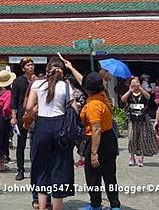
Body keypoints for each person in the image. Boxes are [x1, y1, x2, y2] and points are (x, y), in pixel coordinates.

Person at [26, 57, 77, 210]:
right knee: (59, 167)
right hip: (60, 126)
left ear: (48, 70)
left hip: (42, 126)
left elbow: (29, 107)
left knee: (41, 167)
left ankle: (42, 206)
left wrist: (37, 109)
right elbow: (75, 109)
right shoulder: (66, 86)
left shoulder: (37, 84)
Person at [80, 72, 121, 210]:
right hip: (109, 138)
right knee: (110, 175)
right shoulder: (103, 97)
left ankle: (95, 204)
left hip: (97, 140)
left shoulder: (93, 105)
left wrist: (93, 152)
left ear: (87, 89)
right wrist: (71, 67)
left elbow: (96, 129)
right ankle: (115, 204)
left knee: (93, 175)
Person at [121, 77, 159, 167]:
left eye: (136, 84)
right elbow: (123, 99)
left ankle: (141, 158)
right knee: (131, 138)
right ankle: (132, 157)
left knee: (142, 138)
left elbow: (148, 96)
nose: (134, 86)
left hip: (143, 118)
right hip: (132, 118)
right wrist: (130, 91)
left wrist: (141, 89)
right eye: (132, 84)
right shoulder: (130, 93)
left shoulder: (142, 92)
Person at [10, 57, 36, 180]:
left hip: (36, 115)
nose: (31, 67)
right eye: (28, 65)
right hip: (21, 115)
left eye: (32, 64)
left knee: (36, 142)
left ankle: (36, 167)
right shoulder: (18, 81)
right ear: (23, 68)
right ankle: (20, 169)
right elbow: (13, 100)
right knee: (21, 143)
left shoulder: (38, 80)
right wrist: (14, 117)